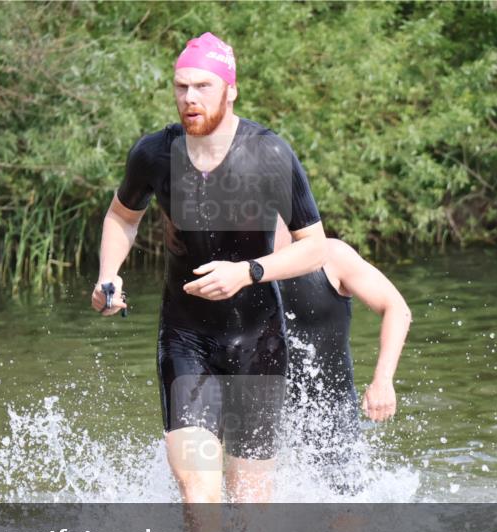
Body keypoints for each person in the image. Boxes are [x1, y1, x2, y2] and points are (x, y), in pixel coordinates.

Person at [90, 32, 327, 505]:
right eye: (181, 87)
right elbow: (122, 216)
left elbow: (315, 248)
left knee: (250, 504)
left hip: (260, 341)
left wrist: (248, 272)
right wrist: (109, 273)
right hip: (186, 338)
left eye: (202, 86)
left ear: (230, 89)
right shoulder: (154, 154)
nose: (189, 98)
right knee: (198, 493)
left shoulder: (269, 154)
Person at [274, 221, 411, 496]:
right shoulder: (233, 270)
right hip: (264, 418)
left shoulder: (331, 256)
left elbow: (396, 307)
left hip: (330, 415)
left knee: (345, 523)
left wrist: (383, 381)